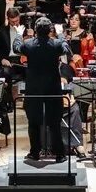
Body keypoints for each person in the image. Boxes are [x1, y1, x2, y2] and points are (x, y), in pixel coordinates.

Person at [15, 16, 70, 161]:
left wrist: (19, 34)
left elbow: (16, 49)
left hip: (34, 88)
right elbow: (66, 50)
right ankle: (59, 154)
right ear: (50, 30)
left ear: (35, 30)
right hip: (53, 88)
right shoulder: (56, 43)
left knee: (33, 122)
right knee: (54, 122)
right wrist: (61, 34)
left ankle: (34, 152)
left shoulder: (28, 45)